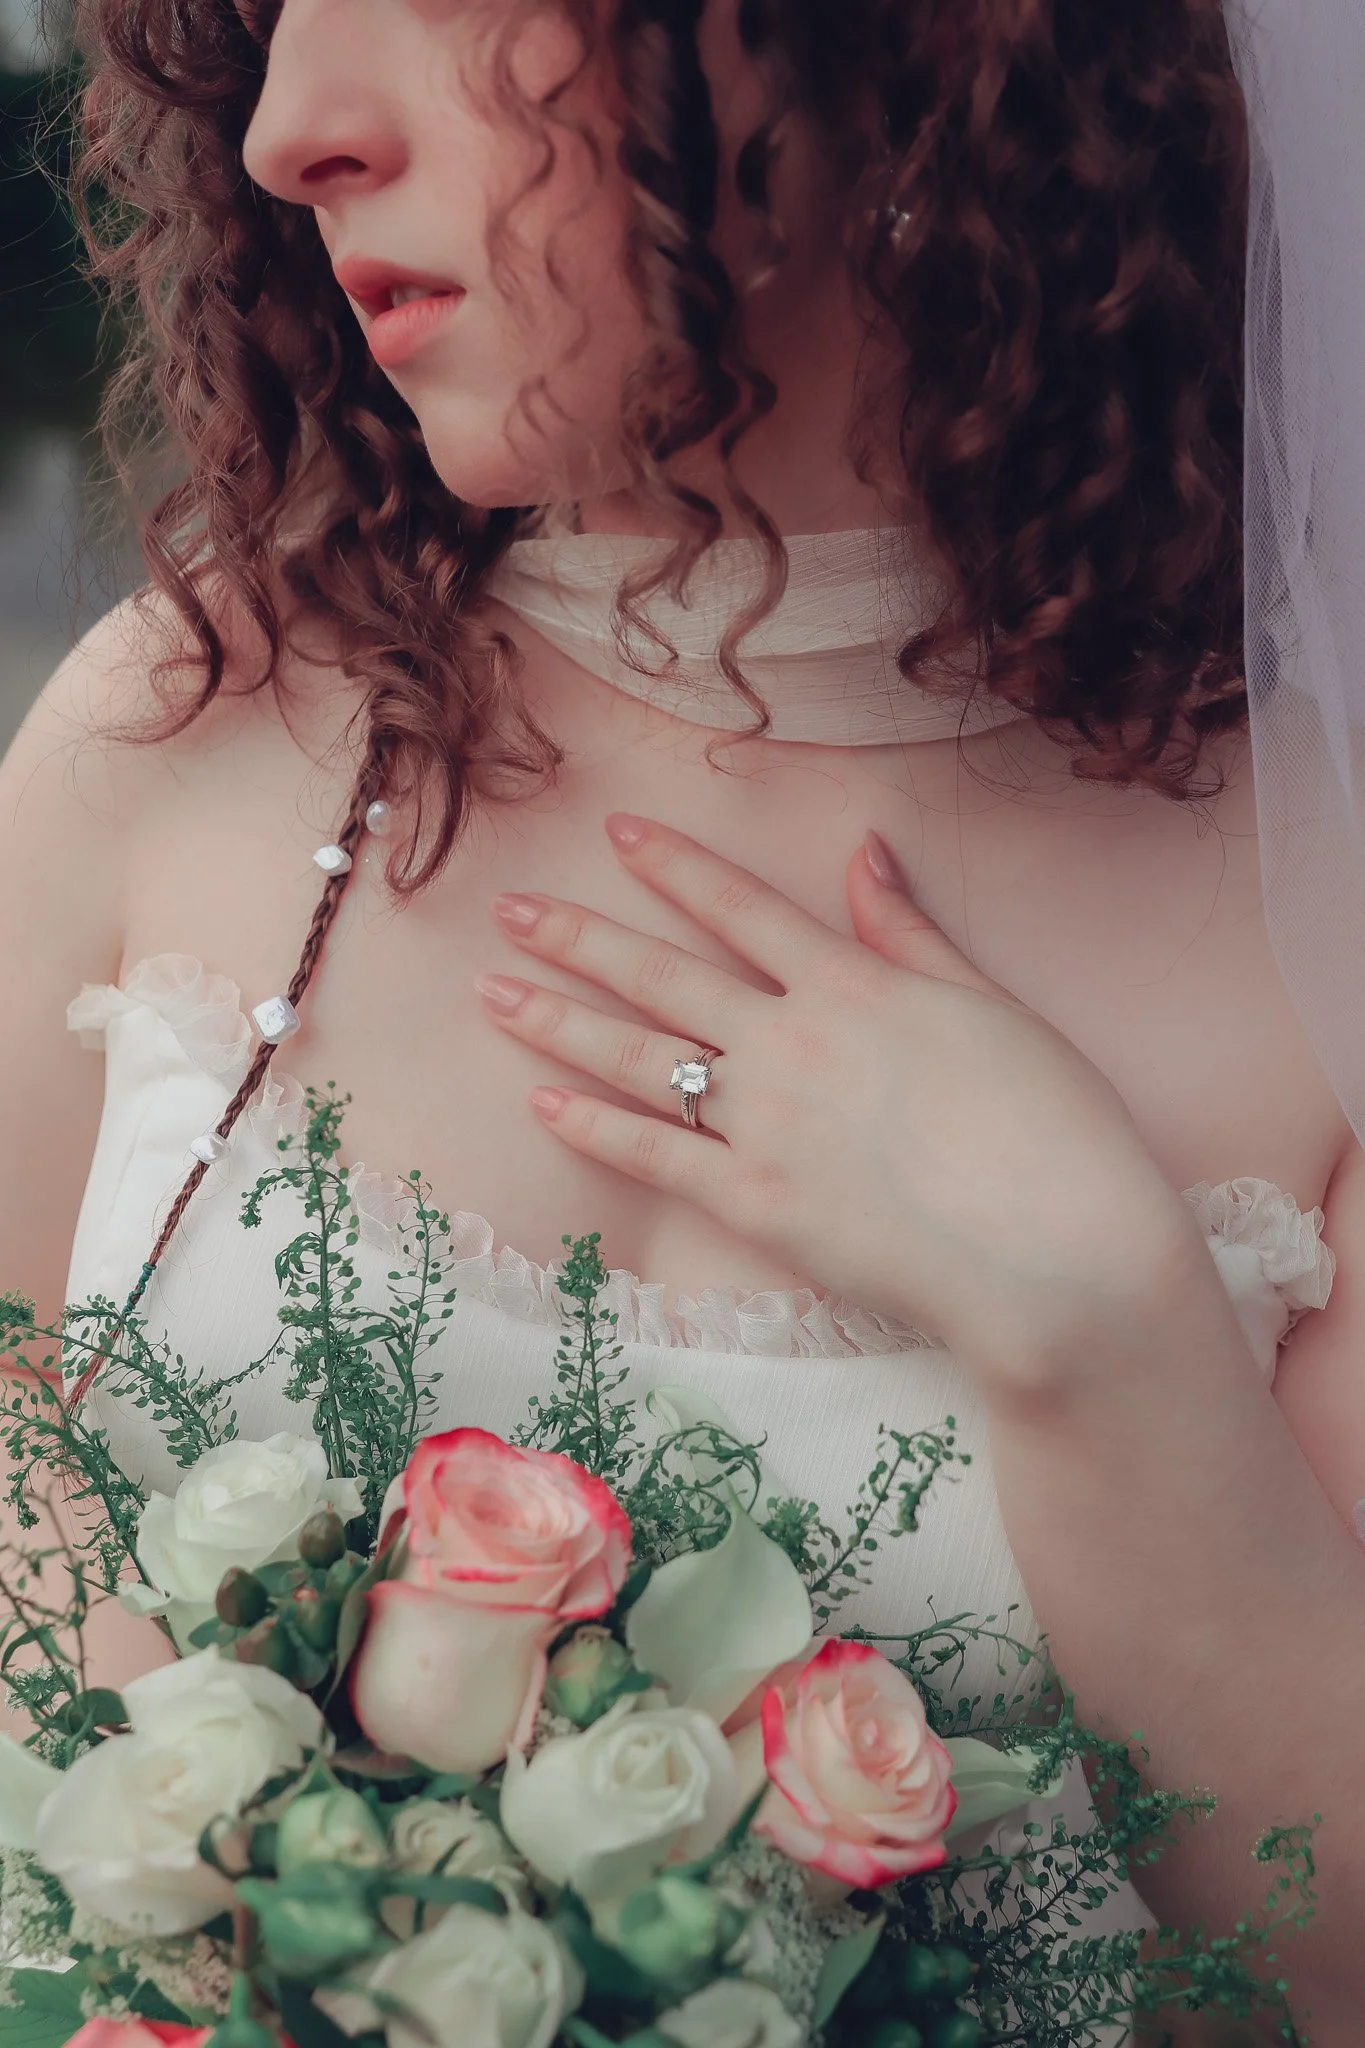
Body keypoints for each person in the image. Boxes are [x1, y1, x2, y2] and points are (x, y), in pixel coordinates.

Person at [1, 0, 1363, 2036]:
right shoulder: (175, 733)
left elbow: (1328, 1977)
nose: (294, 129)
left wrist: (1106, 1320)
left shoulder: (1319, 909)